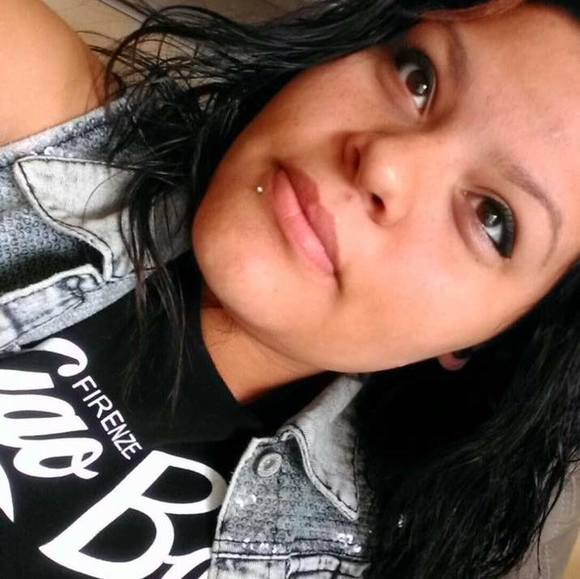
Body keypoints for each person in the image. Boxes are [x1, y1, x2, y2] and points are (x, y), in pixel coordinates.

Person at [0, 0, 579, 576]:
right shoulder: (45, 130)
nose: (387, 163)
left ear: (491, 338)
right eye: (417, 77)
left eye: (492, 219)